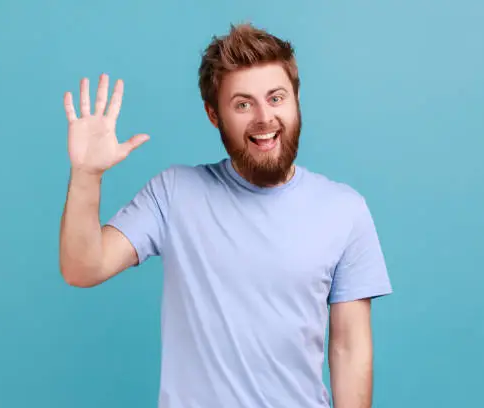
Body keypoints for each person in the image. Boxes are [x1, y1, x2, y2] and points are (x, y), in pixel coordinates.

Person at [59, 22, 392, 408]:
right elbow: (83, 268)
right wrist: (86, 175)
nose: (264, 118)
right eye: (243, 104)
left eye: (276, 98)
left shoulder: (344, 210)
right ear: (214, 115)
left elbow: (350, 350)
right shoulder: (174, 193)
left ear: (296, 100)